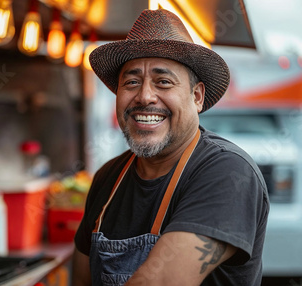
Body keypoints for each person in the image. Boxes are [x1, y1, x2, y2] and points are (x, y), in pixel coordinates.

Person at [72, 8, 269, 286]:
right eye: (131, 82)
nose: (144, 96)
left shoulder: (228, 173)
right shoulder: (107, 177)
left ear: (197, 96)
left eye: (163, 81)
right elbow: (80, 281)